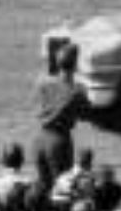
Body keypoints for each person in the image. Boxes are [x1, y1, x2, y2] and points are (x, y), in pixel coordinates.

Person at [34, 43, 88, 178]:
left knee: (43, 188)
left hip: (40, 139)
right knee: (62, 186)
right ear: (76, 65)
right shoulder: (77, 91)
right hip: (59, 142)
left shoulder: (42, 82)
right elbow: (84, 113)